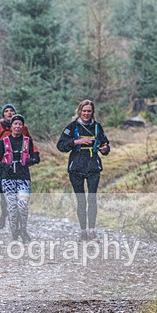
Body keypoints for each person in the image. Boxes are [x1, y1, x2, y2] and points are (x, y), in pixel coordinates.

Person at [56, 99, 111, 242]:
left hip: (93, 167)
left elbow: (105, 145)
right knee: (81, 201)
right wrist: (76, 142)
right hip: (76, 168)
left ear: (93, 113)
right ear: (79, 111)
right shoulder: (72, 127)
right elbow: (60, 145)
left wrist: (105, 149)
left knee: (92, 199)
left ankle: (92, 231)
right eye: (84, 111)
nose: (86, 113)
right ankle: (82, 232)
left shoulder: (97, 127)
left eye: (89, 111)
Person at [0, 104, 37, 229]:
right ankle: (4, 214)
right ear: (3, 114)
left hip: (19, 166)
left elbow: (30, 143)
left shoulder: (23, 128)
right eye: (6, 111)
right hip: (1, 167)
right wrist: (5, 144)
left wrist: (35, 155)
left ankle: (19, 224)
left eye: (11, 111)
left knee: (20, 198)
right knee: (4, 196)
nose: (9, 113)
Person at [0, 114, 40, 243]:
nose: (18, 126)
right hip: (8, 179)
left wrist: (30, 161)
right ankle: (15, 232)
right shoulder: (4, 142)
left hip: (24, 179)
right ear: (11, 126)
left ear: (23, 126)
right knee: (13, 208)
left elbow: (35, 157)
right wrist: (5, 166)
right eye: (15, 124)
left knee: (23, 205)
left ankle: (23, 230)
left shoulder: (27, 141)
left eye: (20, 124)